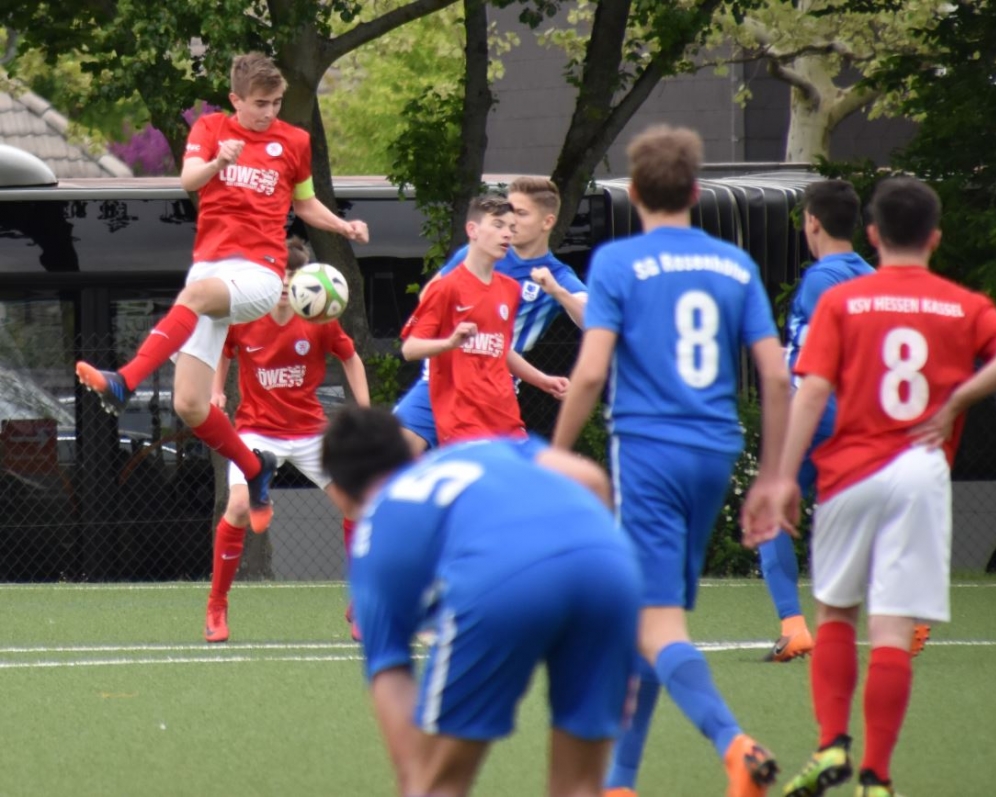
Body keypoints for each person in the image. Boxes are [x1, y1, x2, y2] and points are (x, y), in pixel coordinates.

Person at [551, 124, 789, 797]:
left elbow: (590, 372)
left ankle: (734, 744)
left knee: (654, 623)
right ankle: (620, 782)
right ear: (694, 191)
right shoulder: (734, 263)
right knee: (653, 621)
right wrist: (772, 476)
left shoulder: (618, 262)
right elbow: (776, 378)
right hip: (716, 451)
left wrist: (554, 454)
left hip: (649, 451)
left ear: (633, 192)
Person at [74, 52, 369, 535]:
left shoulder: (294, 142)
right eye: (260, 103)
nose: (269, 112)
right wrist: (218, 162)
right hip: (211, 268)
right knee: (190, 406)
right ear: (236, 99)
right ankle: (255, 469)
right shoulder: (210, 129)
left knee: (192, 299)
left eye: (276, 103)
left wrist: (343, 226)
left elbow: (306, 204)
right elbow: (188, 179)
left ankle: (125, 379)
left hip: (260, 273)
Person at [774, 177, 996, 797]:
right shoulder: (963, 305)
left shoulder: (844, 301)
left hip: (851, 469)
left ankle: (830, 747)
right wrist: (958, 399)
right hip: (921, 471)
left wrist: (784, 476)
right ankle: (876, 776)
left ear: (873, 235)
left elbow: (812, 391)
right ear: (935, 238)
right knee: (894, 629)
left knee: (835, 613)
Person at [321, 406, 641, 797]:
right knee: (580, 786)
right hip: (608, 563)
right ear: (408, 454)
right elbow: (591, 480)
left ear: (340, 493)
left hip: (500, 581)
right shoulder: (483, 449)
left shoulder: (373, 534)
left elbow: (391, 671)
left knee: (440, 784)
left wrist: (419, 781)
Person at [204, 237, 370, 644]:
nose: (284, 281)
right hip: (256, 431)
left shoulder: (319, 319)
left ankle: (362, 602)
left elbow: (350, 357)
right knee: (238, 507)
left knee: (359, 505)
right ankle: (217, 605)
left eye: (293, 274)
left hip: (310, 432)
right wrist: (216, 390)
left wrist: (364, 410)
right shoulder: (246, 316)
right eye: (278, 272)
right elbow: (223, 351)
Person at [759, 179, 876, 663]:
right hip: (865, 419)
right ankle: (908, 616)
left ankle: (793, 627)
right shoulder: (874, 277)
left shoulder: (819, 280)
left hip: (817, 417)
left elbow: (813, 366)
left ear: (812, 222)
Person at [393, 176, 587, 455]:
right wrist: (456, 336)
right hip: (441, 380)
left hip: (492, 390)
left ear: (547, 222)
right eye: (507, 213)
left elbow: (594, 319)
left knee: (499, 471)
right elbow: (430, 298)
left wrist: (557, 292)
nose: (512, 221)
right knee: (392, 459)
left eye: (521, 213)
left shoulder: (555, 276)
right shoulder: (479, 253)